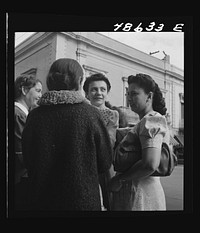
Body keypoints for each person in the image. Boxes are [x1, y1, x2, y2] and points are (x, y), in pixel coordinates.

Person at [22, 58, 112, 212]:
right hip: (83, 201)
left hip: (43, 201)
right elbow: (105, 162)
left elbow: (28, 159)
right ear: (79, 81)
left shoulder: (35, 116)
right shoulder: (91, 114)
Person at [108, 73, 169, 211]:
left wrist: (119, 179)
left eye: (134, 94)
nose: (129, 98)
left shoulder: (152, 120)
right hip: (133, 191)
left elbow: (150, 164)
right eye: (128, 94)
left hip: (141, 195)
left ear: (149, 96)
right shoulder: (142, 122)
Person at [83, 73, 119, 211]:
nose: (99, 93)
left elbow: (109, 142)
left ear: (107, 92)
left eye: (102, 89)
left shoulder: (112, 114)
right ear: (87, 93)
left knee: (108, 201)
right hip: (84, 166)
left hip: (104, 165)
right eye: (94, 89)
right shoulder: (82, 112)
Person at [14, 74, 42, 209]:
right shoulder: (18, 114)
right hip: (20, 176)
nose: (40, 95)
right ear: (24, 90)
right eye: (37, 90)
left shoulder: (21, 113)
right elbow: (21, 151)